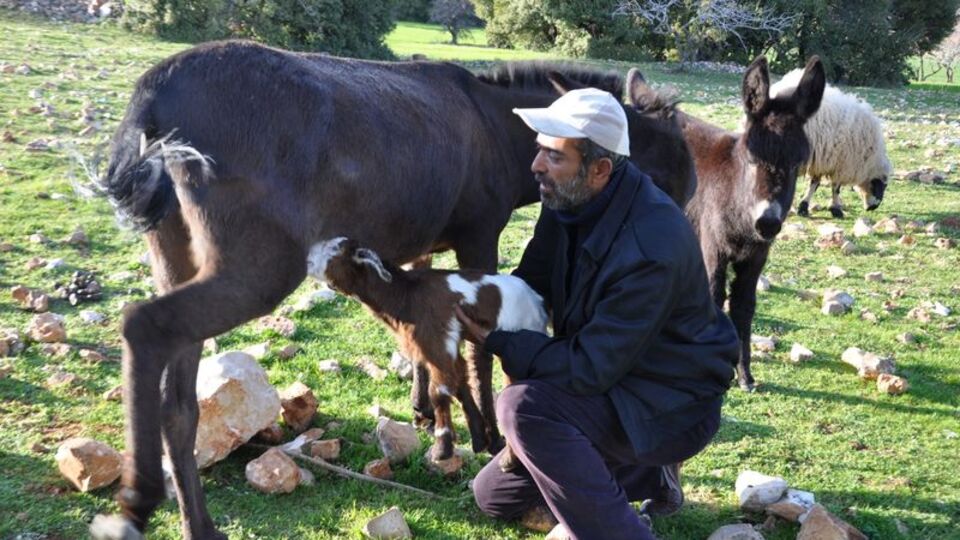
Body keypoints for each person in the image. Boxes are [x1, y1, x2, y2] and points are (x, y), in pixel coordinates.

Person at [455, 87, 740, 539]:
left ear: (600, 170)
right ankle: (652, 476)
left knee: (522, 408)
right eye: (539, 151)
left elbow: (589, 368)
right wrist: (463, 298)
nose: (536, 166)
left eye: (554, 156)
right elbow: (531, 283)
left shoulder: (652, 243)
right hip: (613, 384)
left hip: (667, 403)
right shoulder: (568, 203)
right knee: (493, 494)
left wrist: (502, 343)